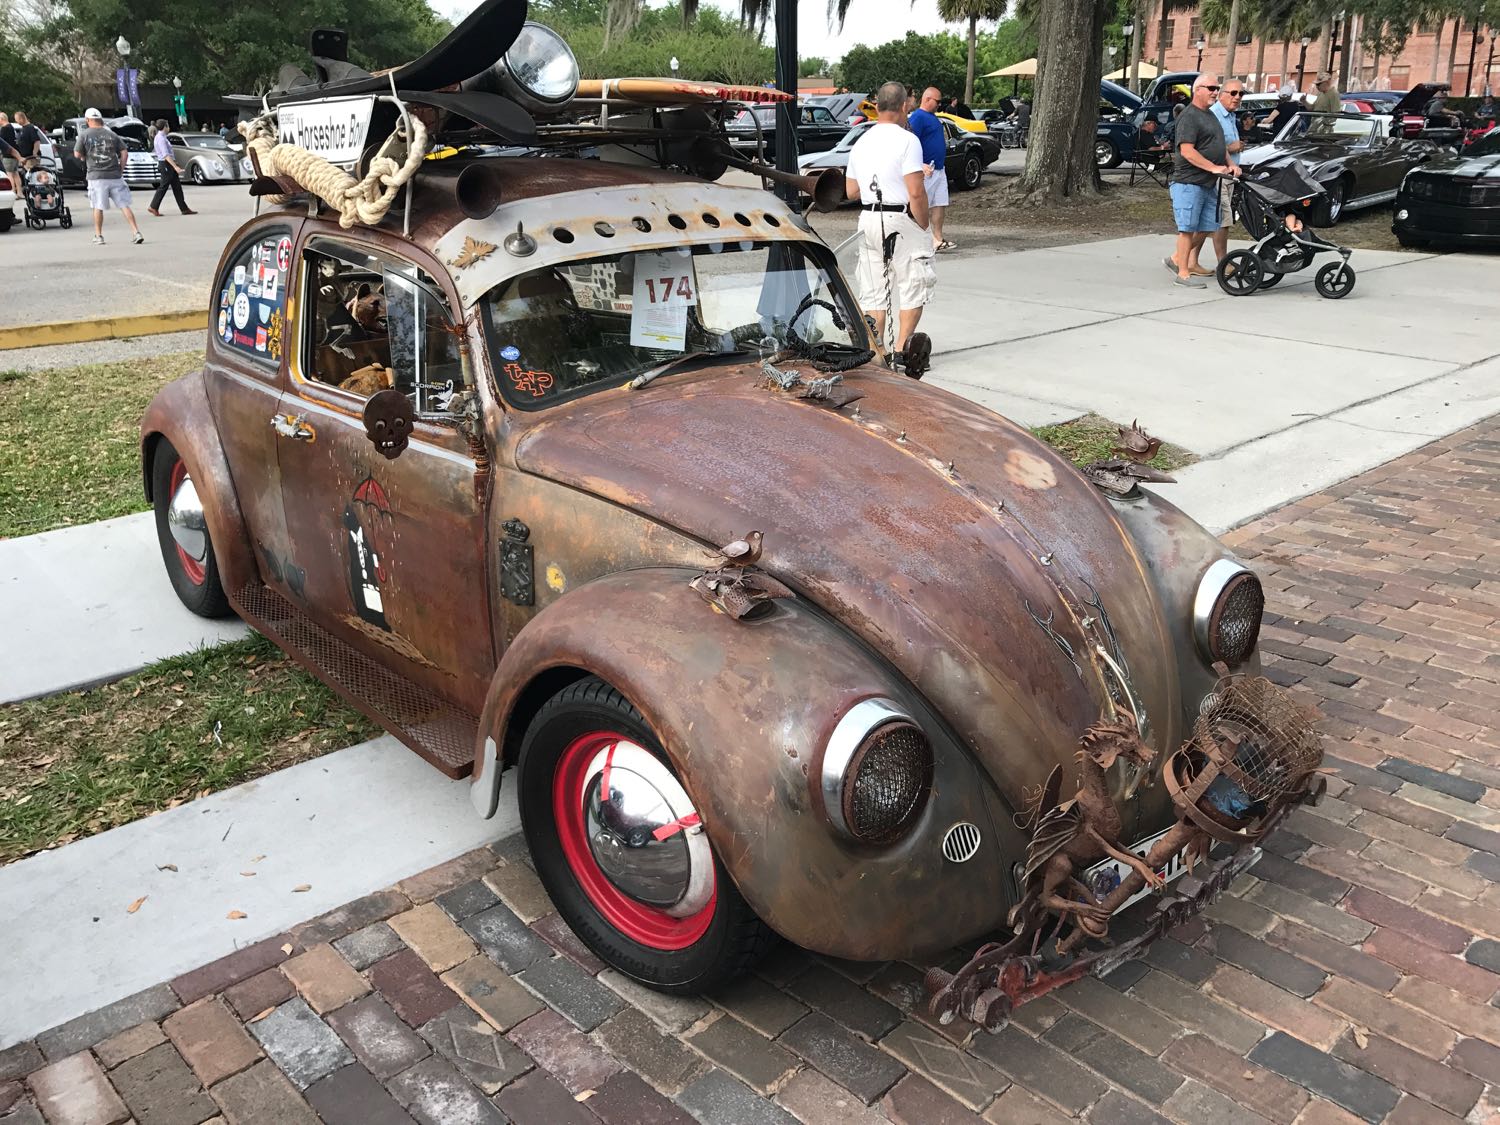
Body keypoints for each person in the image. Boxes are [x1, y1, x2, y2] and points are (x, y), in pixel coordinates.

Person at [845, 80, 934, 374]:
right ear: (904, 106)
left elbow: (851, 191)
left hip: (868, 217)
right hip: (899, 216)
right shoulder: (908, 140)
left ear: (877, 105)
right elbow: (916, 192)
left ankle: (876, 352)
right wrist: (924, 223)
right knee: (913, 284)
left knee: (874, 290)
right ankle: (901, 351)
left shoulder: (861, 141)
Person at [1165, 75, 1238, 288]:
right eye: (1211, 88)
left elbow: (1219, 144)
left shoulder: (1210, 115)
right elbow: (1187, 151)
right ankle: (1183, 274)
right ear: (1197, 90)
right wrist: (1213, 167)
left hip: (1209, 182)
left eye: (1217, 88)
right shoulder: (1189, 116)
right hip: (1189, 182)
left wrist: (1230, 164)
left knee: (1207, 225)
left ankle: (1176, 259)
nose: (1215, 92)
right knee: (1187, 229)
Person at [75, 108, 144, 245]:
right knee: (124, 205)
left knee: (98, 206)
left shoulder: (84, 135)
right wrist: (121, 169)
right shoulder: (111, 134)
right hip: (115, 175)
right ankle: (136, 232)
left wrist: (84, 156)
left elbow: (77, 154)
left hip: (96, 176)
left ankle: (99, 235)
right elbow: (124, 152)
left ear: (88, 120)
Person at [908, 87, 953, 252]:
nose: (939, 105)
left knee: (939, 203)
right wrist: (919, 164)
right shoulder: (918, 117)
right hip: (927, 169)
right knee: (921, 204)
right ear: (927, 99)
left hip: (939, 168)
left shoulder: (933, 117)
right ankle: (922, 238)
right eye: (937, 101)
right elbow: (911, 141)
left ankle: (937, 238)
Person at [1208, 80, 1246, 269]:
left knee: (1210, 222)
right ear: (1221, 94)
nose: (1237, 97)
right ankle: (1223, 263)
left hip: (1229, 176)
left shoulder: (1230, 115)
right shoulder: (1214, 115)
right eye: (1233, 93)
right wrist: (1231, 148)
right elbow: (1209, 147)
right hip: (1219, 175)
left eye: (1241, 93)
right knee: (1223, 220)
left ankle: (1189, 261)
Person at [148, 118, 196, 217]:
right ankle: (153, 206)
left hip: (168, 163)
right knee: (163, 186)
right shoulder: (161, 138)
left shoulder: (162, 137)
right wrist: (175, 166)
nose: (169, 128)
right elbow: (166, 155)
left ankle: (184, 208)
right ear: (165, 127)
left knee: (177, 187)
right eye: (168, 126)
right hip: (166, 164)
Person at [0, 113, 20, 191]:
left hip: (7, 155)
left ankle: (12, 190)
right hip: (14, 154)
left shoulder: (4, 129)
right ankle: (19, 191)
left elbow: (3, 143)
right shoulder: (11, 127)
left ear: (2, 119)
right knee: (15, 173)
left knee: (9, 174)